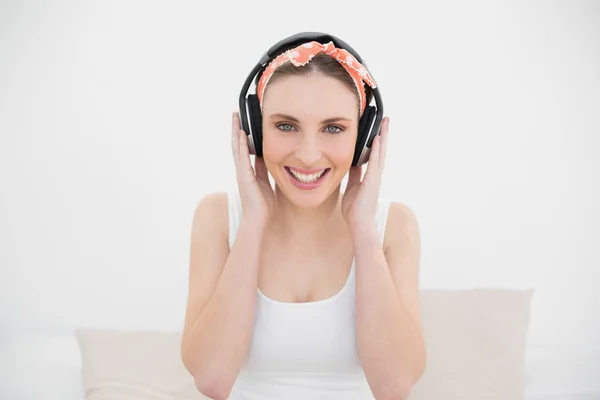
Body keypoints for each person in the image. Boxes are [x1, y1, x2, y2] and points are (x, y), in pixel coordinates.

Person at [181, 32, 427, 400]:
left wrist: (362, 229)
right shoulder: (219, 219)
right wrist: (253, 223)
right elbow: (212, 380)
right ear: (254, 132)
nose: (309, 155)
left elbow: (393, 387)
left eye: (333, 128)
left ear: (365, 140)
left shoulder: (393, 227)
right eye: (286, 126)